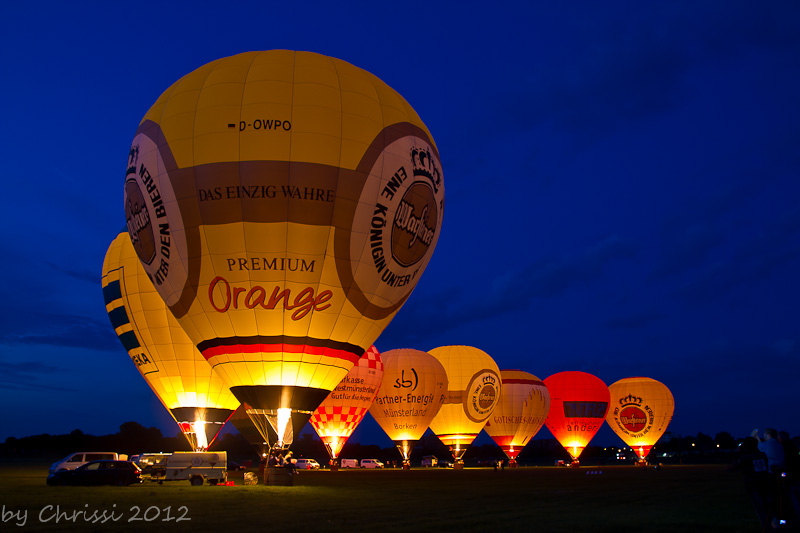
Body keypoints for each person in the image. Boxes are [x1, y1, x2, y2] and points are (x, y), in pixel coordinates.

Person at [730, 436, 774, 529]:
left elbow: (736, 466)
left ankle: (766, 527)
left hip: (753, 485)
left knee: (760, 508)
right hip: (765, 484)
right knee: (767, 507)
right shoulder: (762, 455)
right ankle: (773, 524)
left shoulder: (746, 457)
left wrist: (738, 453)